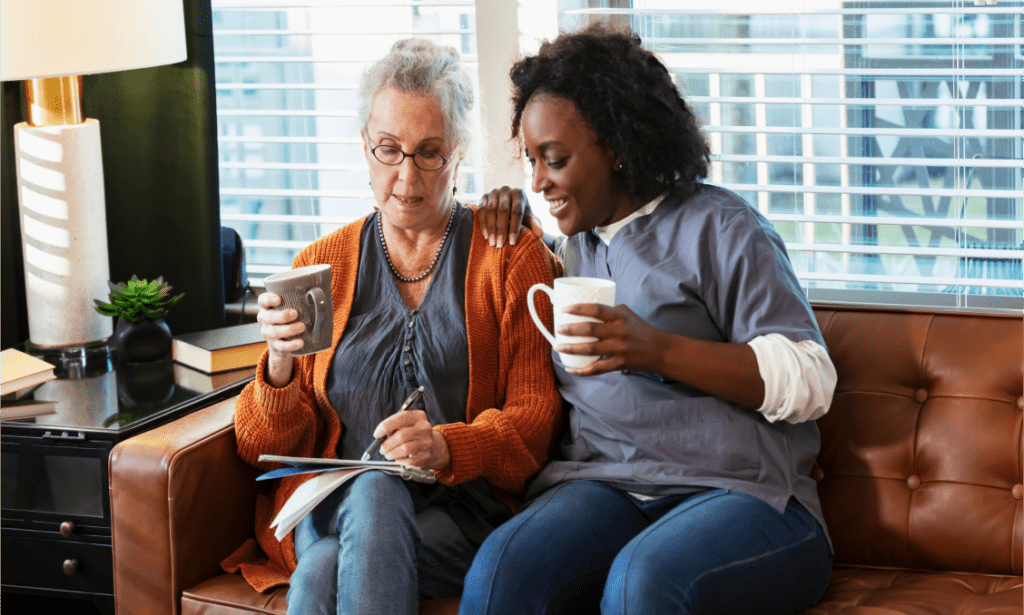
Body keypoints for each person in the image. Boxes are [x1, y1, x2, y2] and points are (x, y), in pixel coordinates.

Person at [461, 26, 837, 615]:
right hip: (608, 485)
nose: (538, 182)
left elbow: (812, 379)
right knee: (499, 572)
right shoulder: (573, 246)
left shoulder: (722, 228)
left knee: (643, 581)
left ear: (615, 144)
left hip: (746, 496)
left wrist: (657, 351)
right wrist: (500, 216)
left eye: (555, 159)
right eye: (531, 161)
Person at [218, 38, 562, 615]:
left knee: (325, 566)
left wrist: (445, 446)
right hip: (329, 505)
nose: (407, 175)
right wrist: (278, 364)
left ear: (459, 153)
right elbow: (262, 449)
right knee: (371, 489)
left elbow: (533, 426)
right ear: (365, 147)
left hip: (460, 511)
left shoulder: (507, 256)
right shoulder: (318, 266)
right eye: (389, 149)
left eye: (429, 152)